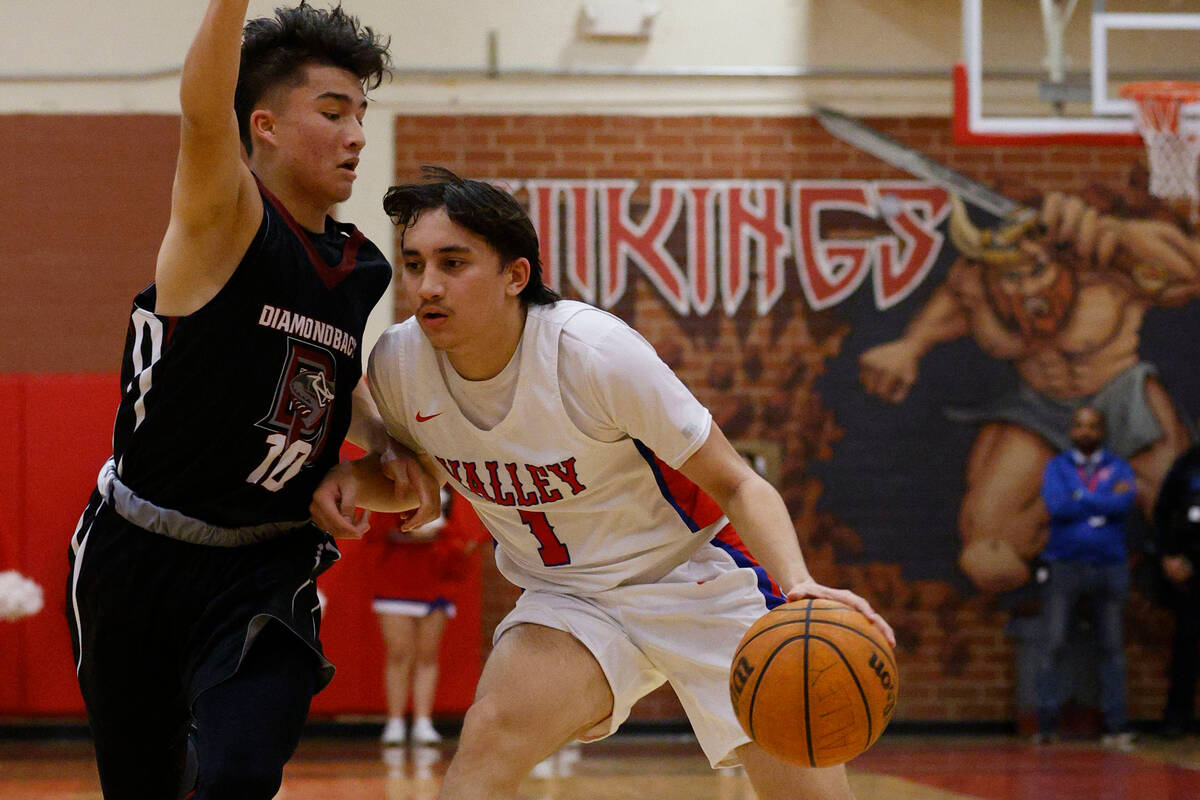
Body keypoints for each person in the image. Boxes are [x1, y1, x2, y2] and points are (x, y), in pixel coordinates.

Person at [311, 166, 896, 800]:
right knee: (490, 734)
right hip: (571, 596)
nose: (428, 286)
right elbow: (415, 486)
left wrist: (800, 584)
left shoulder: (591, 353)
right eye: (415, 263)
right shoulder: (400, 364)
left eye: (454, 263)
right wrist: (350, 482)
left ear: (515, 275)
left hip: (695, 574)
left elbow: (739, 483)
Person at [64, 4, 437, 798]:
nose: (358, 136)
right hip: (138, 553)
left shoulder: (361, 267)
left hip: (268, 559)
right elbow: (204, 111)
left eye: (362, 114)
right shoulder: (224, 220)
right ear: (263, 125)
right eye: (332, 112)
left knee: (241, 770)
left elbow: (327, 377)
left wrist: (379, 448)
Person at [858, 191, 1199, 593]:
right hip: (1041, 409)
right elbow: (950, 307)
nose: (1023, 289)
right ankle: (1056, 592)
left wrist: (1119, 235)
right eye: (1011, 276)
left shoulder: (1104, 268)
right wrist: (909, 347)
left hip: (1123, 397)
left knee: (1181, 530)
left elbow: (1189, 272)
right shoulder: (980, 286)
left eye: (1036, 269)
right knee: (988, 553)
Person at [1034, 406, 1137, 748]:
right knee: (1054, 644)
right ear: (1071, 431)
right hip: (1064, 566)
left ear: (1102, 430)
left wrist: (1081, 497)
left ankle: (1116, 726)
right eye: (1080, 425)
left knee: (1111, 649)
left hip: (1108, 566)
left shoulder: (1118, 467)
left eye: (1093, 425)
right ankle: (1047, 726)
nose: (1086, 431)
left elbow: (1124, 504)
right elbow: (1057, 506)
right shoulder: (1058, 467)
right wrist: (1100, 502)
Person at [368, 489, 490, 746]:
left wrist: (446, 535)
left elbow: (466, 532)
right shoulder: (392, 482)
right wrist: (405, 530)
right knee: (399, 653)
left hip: (435, 578)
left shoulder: (452, 487)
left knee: (427, 654)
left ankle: (423, 721)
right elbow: (374, 530)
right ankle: (395, 721)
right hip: (396, 578)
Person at [1152, 443, 1200, 738]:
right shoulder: (1187, 463)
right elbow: (1163, 512)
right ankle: (1177, 717)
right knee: (1186, 644)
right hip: (1190, 567)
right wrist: (1169, 555)